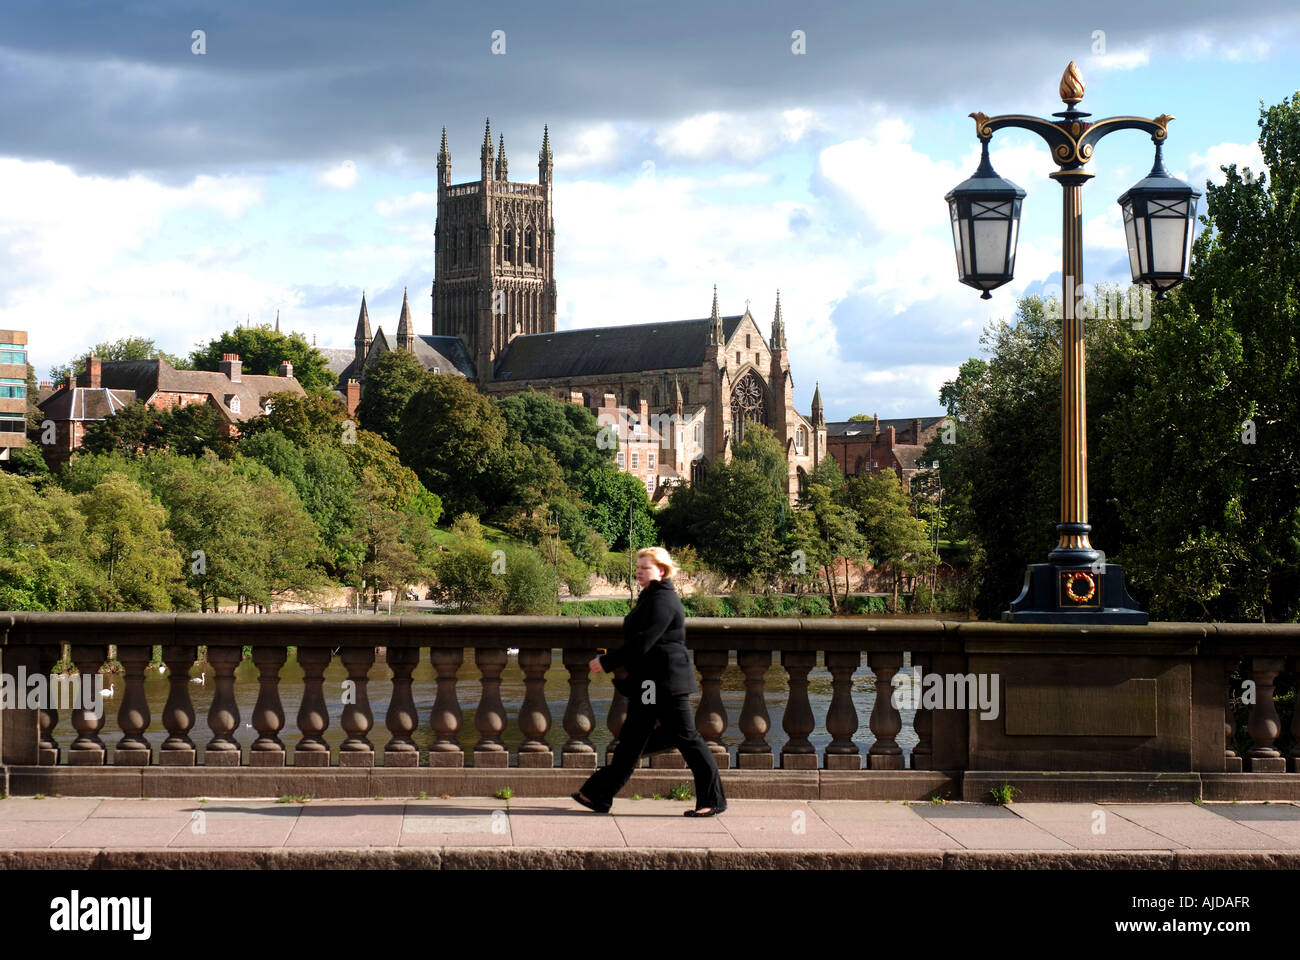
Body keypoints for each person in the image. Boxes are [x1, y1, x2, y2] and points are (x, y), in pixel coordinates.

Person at [572, 546, 727, 817]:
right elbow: (639, 640)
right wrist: (613, 656)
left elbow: (644, 641)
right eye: (638, 567)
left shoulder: (663, 600)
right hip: (649, 683)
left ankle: (712, 800)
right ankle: (598, 795)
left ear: (662, 571)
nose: (639, 571)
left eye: (645, 567)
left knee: (688, 739)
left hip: (667, 683)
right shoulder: (650, 597)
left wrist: (607, 661)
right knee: (633, 740)